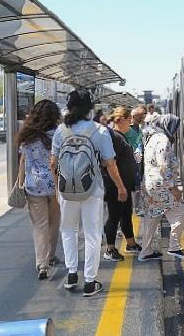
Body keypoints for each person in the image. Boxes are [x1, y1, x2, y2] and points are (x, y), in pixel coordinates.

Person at [50, 90, 127, 297]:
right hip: (92, 189)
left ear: (68, 107)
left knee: (68, 231)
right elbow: (110, 164)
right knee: (92, 235)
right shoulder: (99, 131)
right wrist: (120, 186)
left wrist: (59, 188)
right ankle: (90, 282)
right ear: (89, 109)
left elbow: (53, 163)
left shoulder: (60, 131)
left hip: (66, 190)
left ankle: (72, 274)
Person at [16, 100, 61, 280]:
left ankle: (42, 265)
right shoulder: (59, 134)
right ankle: (50, 256)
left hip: (34, 186)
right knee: (54, 223)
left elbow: (23, 160)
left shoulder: (27, 135)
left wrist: (20, 183)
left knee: (39, 226)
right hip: (56, 185)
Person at [139, 114, 184, 261]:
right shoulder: (163, 140)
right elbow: (163, 166)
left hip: (150, 184)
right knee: (181, 211)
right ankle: (174, 247)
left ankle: (145, 252)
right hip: (161, 185)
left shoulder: (152, 137)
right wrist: (173, 188)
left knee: (152, 217)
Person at [102, 107, 142, 262]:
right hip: (116, 186)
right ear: (123, 120)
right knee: (114, 216)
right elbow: (112, 163)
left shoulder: (120, 136)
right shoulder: (115, 137)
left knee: (126, 214)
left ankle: (131, 243)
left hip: (123, 185)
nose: (131, 124)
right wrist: (120, 187)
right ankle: (110, 248)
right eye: (129, 120)